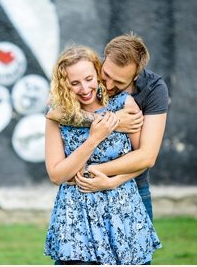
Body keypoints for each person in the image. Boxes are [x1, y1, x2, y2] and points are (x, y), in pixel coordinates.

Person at [44, 46, 161, 265]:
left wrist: (112, 181)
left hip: (122, 209)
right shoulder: (56, 115)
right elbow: (56, 175)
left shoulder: (124, 105)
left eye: (89, 79)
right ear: (64, 83)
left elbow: (142, 159)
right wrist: (94, 137)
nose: (85, 88)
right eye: (74, 82)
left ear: (98, 74)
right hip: (76, 215)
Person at [48, 34, 169, 222]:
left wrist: (109, 179)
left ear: (135, 76)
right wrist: (111, 122)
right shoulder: (89, 74)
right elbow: (54, 112)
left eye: (119, 82)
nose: (109, 85)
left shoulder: (153, 89)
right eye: (106, 76)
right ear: (102, 61)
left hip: (131, 188)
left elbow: (147, 156)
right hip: (80, 199)